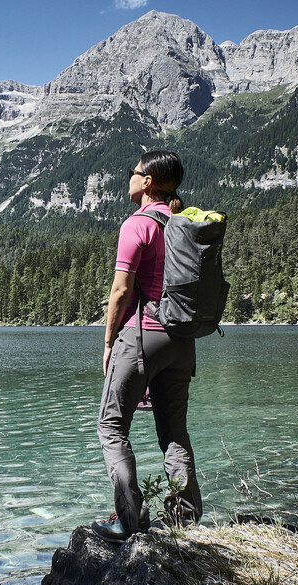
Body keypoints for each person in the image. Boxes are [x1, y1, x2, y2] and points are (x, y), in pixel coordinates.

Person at [92, 150, 202, 543]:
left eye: (133, 172)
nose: (130, 178)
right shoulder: (183, 222)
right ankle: (184, 516)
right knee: (174, 430)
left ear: (148, 182)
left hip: (144, 336)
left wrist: (108, 343)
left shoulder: (137, 224)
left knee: (111, 426)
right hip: (182, 342)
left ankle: (128, 518)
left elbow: (121, 291)